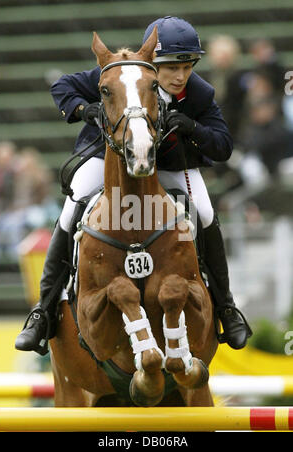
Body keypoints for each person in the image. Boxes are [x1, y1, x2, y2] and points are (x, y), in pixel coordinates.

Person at [15, 16, 252, 355]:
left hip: (167, 167)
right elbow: (62, 87)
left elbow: (223, 145)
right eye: (170, 67)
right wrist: (87, 111)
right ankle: (43, 311)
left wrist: (192, 129)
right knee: (71, 210)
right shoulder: (123, 74)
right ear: (150, 60)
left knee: (205, 211)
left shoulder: (198, 94)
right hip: (107, 157)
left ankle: (226, 308)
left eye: (187, 66)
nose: (180, 76)